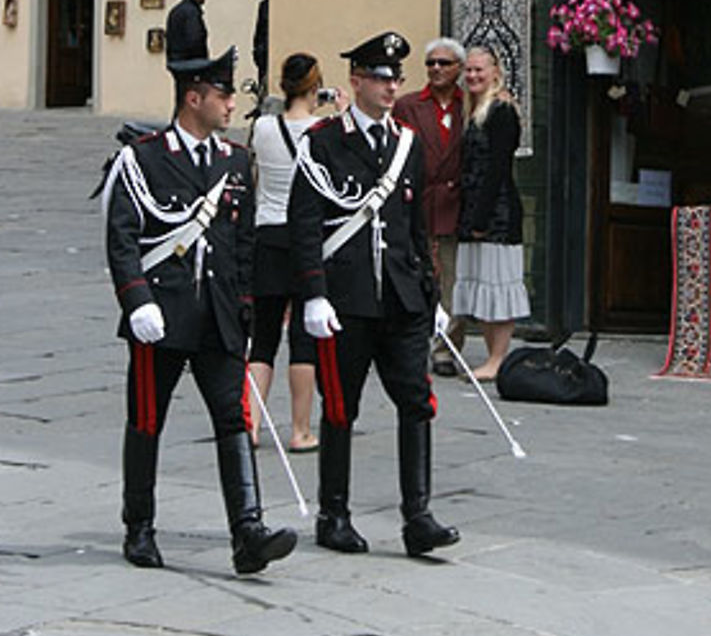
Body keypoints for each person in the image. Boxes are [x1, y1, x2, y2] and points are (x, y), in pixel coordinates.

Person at [102, 46, 296, 576]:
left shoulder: (233, 161)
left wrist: (249, 311)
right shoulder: (143, 158)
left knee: (234, 419)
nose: (232, 103)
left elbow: (243, 243)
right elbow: (122, 239)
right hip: (161, 315)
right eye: (223, 94)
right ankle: (139, 527)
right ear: (194, 98)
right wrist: (137, 299)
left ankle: (248, 532)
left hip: (218, 315)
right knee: (146, 420)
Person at [289, 30, 459, 559]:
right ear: (356, 81)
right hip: (347, 298)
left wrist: (431, 298)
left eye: (396, 79)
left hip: (401, 298)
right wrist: (314, 294)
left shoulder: (405, 144)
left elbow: (412, 226)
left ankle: (418, 516)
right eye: (381, 77)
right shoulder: (323, 141)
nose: (391, 87)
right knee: (341, 409)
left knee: (417, 402)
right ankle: (333, 513)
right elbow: (305, 223)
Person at [249, 52, 348, 452]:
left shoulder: (262, 127)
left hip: (266, 235)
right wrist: (343, 115)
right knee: (305, 340)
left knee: (263, 338)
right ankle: (300, 429)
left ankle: (251, 425)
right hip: (307, 238)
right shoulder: (326, 130)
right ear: (315, 86)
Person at [453, 46, 530, 381]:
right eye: (468, 70)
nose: (472, 76)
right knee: (481, 286)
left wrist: (482, 219)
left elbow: (498, 168)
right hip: (475, 209)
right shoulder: (475, 110)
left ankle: (498, 357)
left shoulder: (502, 110)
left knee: (498, 285)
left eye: (479, 70)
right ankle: (490, 356)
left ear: (495, 71)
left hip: (497, 212)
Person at [394, 37, 466, 376]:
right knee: (413, 278)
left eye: (444, 63)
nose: (436, 69)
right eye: (431, 63)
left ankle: (446, 349)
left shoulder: (470, 104)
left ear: (459, 69)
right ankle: (406, 342)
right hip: (417, 204)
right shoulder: (409, 105)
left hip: (454, 204)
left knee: (452, 281)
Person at [165, 0, 209, 66]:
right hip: (190, 65)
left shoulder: (175, 11)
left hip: (176, 63)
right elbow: (195, 39)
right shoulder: (192, 12)